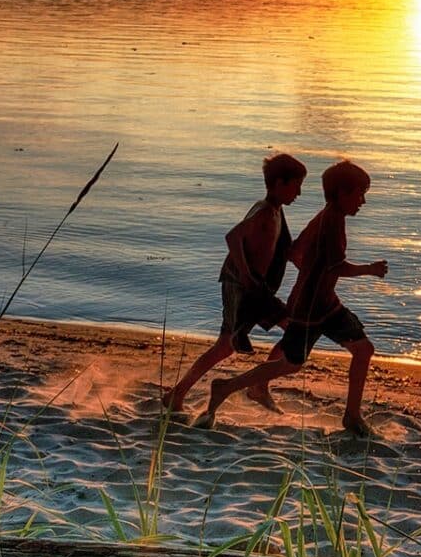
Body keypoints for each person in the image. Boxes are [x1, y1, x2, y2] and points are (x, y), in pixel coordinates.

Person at [196, 159, 388, 437]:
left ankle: (352, 416)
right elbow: (336, 266)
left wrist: (310, 274)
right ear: (342, 194)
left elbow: (295, 251)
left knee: (363, 349)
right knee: (291, 364)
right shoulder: (331, 222)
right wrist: (369, 270)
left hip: (325, 303)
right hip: (309, 308)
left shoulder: (326, 216)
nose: (363, 201)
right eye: (360, 194)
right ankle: (226, 387)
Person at [163, 153, 307, 413]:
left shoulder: (276, 211)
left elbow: (285, 250)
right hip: (243, 287)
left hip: (256, 289)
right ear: (278, 183)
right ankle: (257, 386)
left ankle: (178, 393)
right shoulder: (263, 210)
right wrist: (245, 275)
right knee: (293, 331)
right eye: (296, 185)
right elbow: (233, 237)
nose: (299, 192)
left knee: (225, 347)